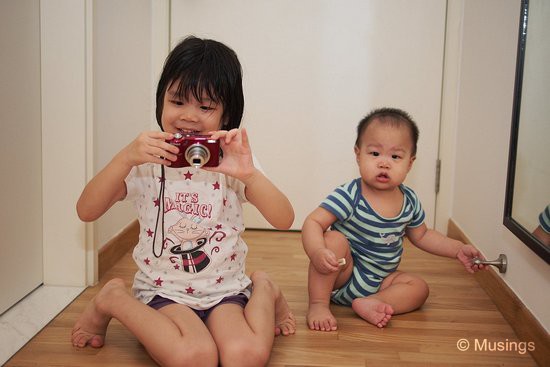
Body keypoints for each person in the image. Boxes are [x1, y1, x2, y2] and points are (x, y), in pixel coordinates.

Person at [72, 36, 296, 367]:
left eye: (205, 107)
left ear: (227, 115)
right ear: (160, 100)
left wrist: (249, 175)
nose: (189, 116)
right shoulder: (147, 159)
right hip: (164, 292)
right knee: (194, 357)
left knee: (245, 356)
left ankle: (265, 288)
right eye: (177, 101)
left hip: (224, 290)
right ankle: (113, 298)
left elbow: (284, 219)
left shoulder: (232, 162)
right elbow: (86, 210)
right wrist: (125, 158)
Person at [302, 107, 485, 331]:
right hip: (342, 275)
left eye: (395, 156)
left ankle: (374, 303)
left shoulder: (409, 201)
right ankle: (319, 304)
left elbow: (424, 235)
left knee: (418, 288)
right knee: (333, 240)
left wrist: (457, 249)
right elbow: (313, 222)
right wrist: (317, 251)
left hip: (382, 281)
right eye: (375, 154)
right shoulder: (350, 194)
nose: (384, 163)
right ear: (358, 155)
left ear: (410, 163)